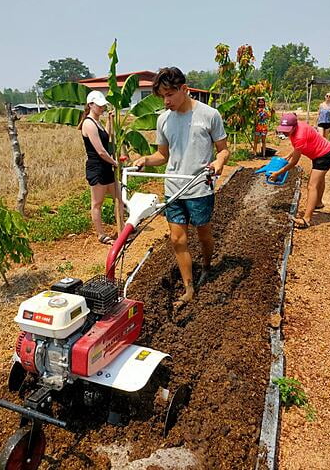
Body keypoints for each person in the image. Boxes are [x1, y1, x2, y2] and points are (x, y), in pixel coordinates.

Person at [134, 67, 229, 307]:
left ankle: (207, 264)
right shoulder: (163, 119)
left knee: (204, 234)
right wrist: (146, 160)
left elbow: (223, 149)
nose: (166, 101)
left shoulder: (209, 115)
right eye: (162, 96)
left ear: (184, 89)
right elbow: (162, 155)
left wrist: (219, 161)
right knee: (177, 240)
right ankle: (189, 288)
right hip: (174, 189)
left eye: (169, 94)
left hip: (199, 188)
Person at [269, 113, 330, 228]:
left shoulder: (299, 135)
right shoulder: (299, 126)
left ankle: (306, 219)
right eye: (283, 130)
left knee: (311, 185)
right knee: (319, 179)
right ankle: (318, 203)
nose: (284, 132)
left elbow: (294, 163)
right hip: (322, 153)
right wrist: (289, 155)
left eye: (287, 130)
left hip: (324, 155)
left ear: (294, 127)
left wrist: (277, 173)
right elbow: (299, 146)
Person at [78, 90, 124, 245]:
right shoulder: (89, 123)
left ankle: (122, 228)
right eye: (99, 106)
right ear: (90, 105)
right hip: (97, 167)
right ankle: (101, 234)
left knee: (119, 198)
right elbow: (101, 151)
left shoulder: (98, 122)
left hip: (106, 166)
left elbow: (108, 139)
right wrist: (115, 162)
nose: (102, 108)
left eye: (103, 106)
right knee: (97, 202)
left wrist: (110, 121)